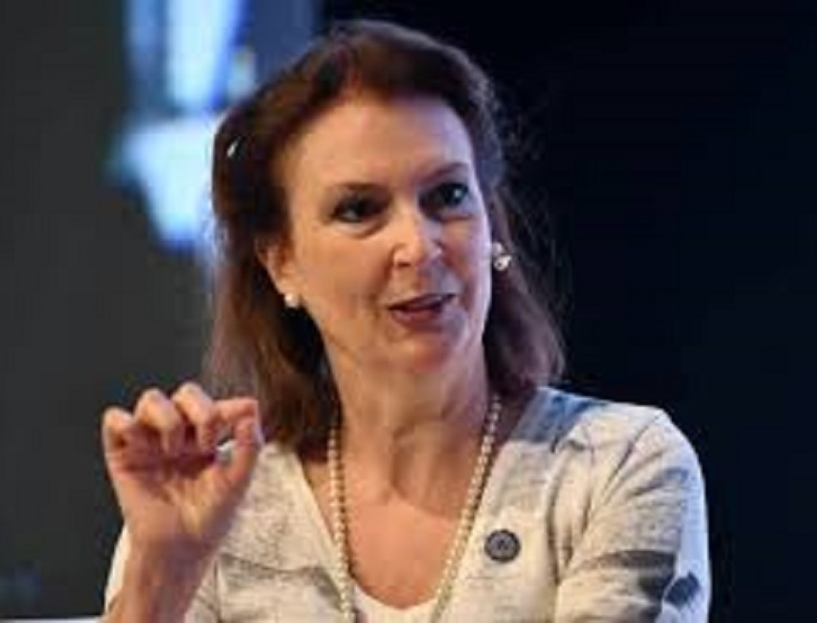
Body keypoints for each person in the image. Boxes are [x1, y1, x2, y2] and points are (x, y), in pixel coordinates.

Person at [101, 18, 710, 622]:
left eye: (447, 197)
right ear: (281, 262)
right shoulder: (211, 511)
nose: (418, 246)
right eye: (359, 209)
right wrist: (162, 577)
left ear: (490, 227)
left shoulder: (616, 464)